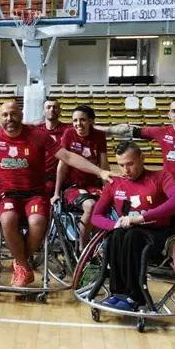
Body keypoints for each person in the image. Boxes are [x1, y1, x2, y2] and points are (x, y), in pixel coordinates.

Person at [0, 101, 114, 287]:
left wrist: (100, 172)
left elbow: (67, 157)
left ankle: (20, 263)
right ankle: (24, 268)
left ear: (21, 114)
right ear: (0, 118)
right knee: (8, 219)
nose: (9, 118)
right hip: (8, 195)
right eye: (5, 115)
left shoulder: (38, 136)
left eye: (13, 114)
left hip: (35, 194)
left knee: (38, 222)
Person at [91, 141, 175, 311]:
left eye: (130, 164)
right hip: (129, 233)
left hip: (158, 234)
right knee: (115, 236)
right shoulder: (115, 184)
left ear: (142, 158)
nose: (126, 170)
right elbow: (96, 217)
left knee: (132, 236)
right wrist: (114, 224)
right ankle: (118, 292)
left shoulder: (161, 177)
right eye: (121, 165)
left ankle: (135, 296)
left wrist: (143, 217)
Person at [52, 105, 108, 250]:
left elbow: (103, 165)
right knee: (91, 205)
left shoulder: (99, 136)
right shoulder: (69, 134)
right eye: (75, 120)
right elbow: (62, 166)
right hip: (73, 187)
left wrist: (108, 190)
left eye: (82, 120)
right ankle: (83, 249)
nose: (78, 124)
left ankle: (98, 248)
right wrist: (56, 193)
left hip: (93, 186)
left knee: (104, 206)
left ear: (91, 121)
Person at [36, 98, 70, 196]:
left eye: (55, 107)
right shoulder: (37, 130)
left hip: (59, 175)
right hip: (39, 174)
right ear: (43, 111)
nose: (52, 109)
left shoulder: (68, 130)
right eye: (48, 107)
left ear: (60, 111)